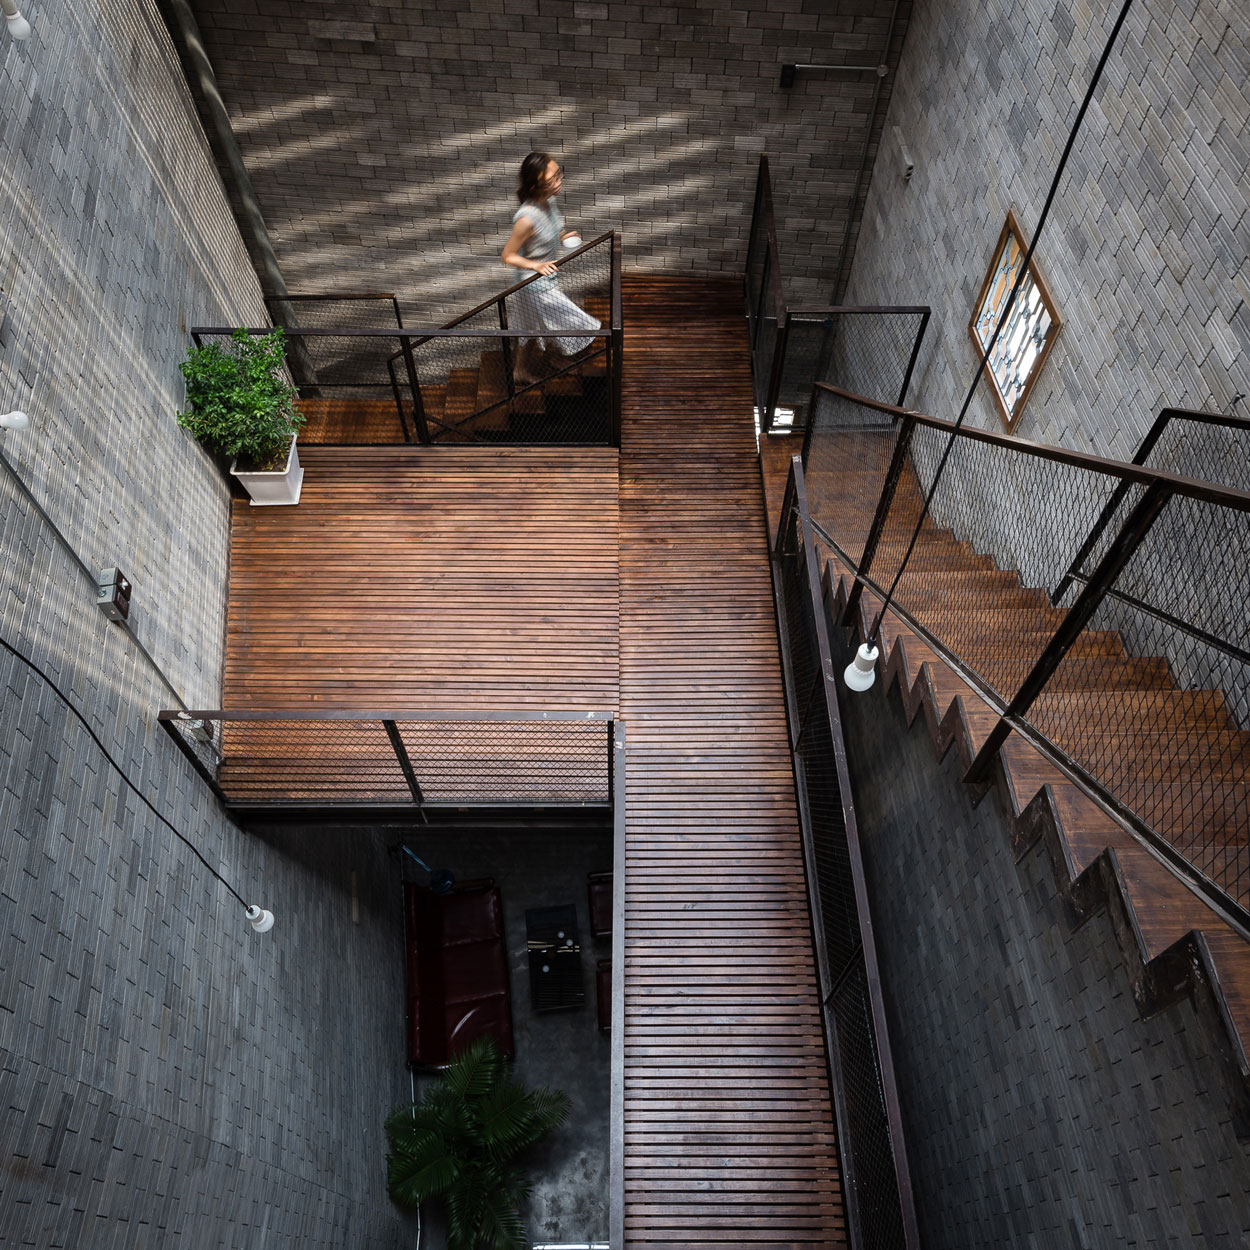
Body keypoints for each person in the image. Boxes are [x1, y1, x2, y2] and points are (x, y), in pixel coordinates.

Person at [501, 152, 601, 385]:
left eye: (558, 175)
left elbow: (552, 230)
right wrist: (536, 265)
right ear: (535, 184)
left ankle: (528, 367)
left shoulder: (549, 200)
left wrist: (564, 235)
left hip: (546, 277)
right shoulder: (526, 219)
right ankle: (537, 364)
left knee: (532, 326)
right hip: (531, 283)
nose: (558, 183)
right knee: (573, 320)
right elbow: (507, 255)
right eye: (551, 181)